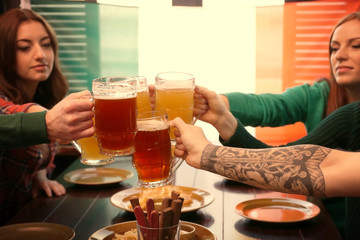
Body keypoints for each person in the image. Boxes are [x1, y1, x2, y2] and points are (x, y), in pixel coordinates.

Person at [193, 11, 360, 236]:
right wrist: (219, 111)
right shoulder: (332, 104)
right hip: (324, 226)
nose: (339, 55)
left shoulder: (352, 117)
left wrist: (206, 151)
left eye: (356, 46)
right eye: (333, 48)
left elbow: (294, 166)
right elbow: (269, 114)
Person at [170, 116, 360, 240]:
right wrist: (221, 120)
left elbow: (321, 167)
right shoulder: (354, 116)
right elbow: (282, 159)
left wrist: (207, 154)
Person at [0, 8, 90, 224]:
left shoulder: (44, 95)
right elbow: (6, 116)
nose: (40, 54)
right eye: (24, 47)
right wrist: (44, 120)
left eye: (46, 44)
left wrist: (38, 173)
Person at [0, 90, 95, 150]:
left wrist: (40, 175)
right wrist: (47, 123)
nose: (41, 56)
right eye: (24, 55)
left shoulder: (46, 95)